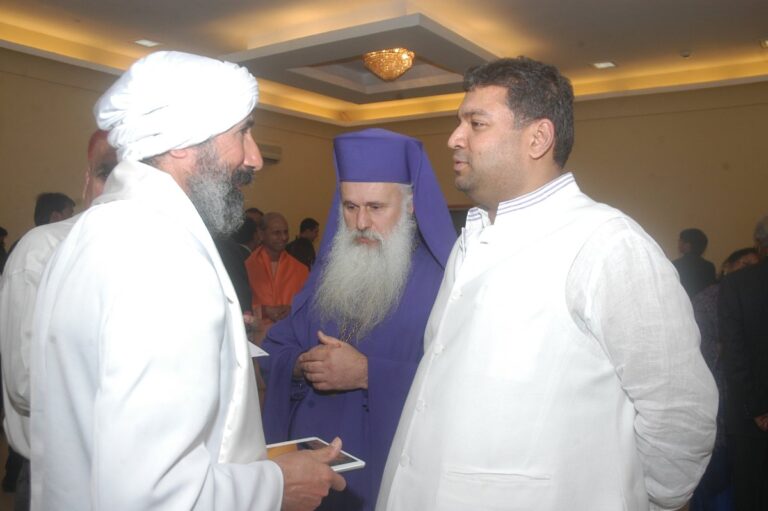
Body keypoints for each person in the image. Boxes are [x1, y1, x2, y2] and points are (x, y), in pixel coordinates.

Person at [377, 57, 717, 511]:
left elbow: (679, 413)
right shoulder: (470, 241)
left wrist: (643, 498)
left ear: (538, 138)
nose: (454, 139)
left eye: (475, 123)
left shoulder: (606, 244)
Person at [29, 51, 344, 511]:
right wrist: (277, 484)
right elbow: (154, 493)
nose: (254, 158)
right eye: (242, 133)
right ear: (180, 141)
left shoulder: (93, 232)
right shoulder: (164, 256)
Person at [262, 128, 456, 511]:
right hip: (306, 475)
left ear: (411, 206)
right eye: (350, 207)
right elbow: (277, 346)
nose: (361, 222)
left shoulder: (443, 282)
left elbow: (460, 383)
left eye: (376, 207)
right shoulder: (329, 270)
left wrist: (368, 373)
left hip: (382, 472)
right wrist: (301, 365)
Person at [0, 130, 117, 511]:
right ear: (86, 180)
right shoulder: (44, 249)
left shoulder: (162, 251)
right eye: (106, 173)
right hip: (59, 473)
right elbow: (27, 382)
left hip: (131, 468)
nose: (118, 186)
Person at [690, 247, 759, 511]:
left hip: (746, 399)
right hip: (716, 397)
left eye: (755, 265)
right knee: (715, 475)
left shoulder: (755, 298)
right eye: (744, 263)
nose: (749, 270)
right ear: (726, 266)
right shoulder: (707, 300)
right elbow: (702, 352)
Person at [718, 215, 768, 511]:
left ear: (759, 244)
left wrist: (758, 407)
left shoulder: (736, 283)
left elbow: (733, 352)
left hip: (749, 416)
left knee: (750, 494)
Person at [246, 212, 309, 332]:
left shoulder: (300, 269)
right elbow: (237, 307)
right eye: (277, 233)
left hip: (290, 336)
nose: (284, 237)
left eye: (286, 232)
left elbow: (308, 307)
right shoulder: (247, 266)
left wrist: (292, 309)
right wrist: (264, 311)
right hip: (256, 338)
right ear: (261, 234)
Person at [673, 228, 717, 298]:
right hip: (702, 305)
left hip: (683, 304)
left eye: (680, 241)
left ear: (687, 245)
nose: (678, 243)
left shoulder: (675, 265)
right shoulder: (709, 266)